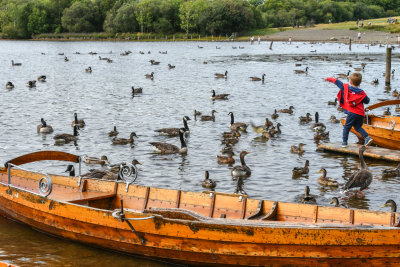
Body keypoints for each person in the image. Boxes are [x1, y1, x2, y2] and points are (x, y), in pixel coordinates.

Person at [325, 73, 372, 147]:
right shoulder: (362, 93)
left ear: (350, 81)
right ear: (360, 82)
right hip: (360, 113)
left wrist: (328, 79)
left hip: (352, 113)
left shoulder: (345, 88)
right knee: (358, 127)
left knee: (347, 127)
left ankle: (344, 143)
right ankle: (367, 137)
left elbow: (336, 81)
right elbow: (367, 101)